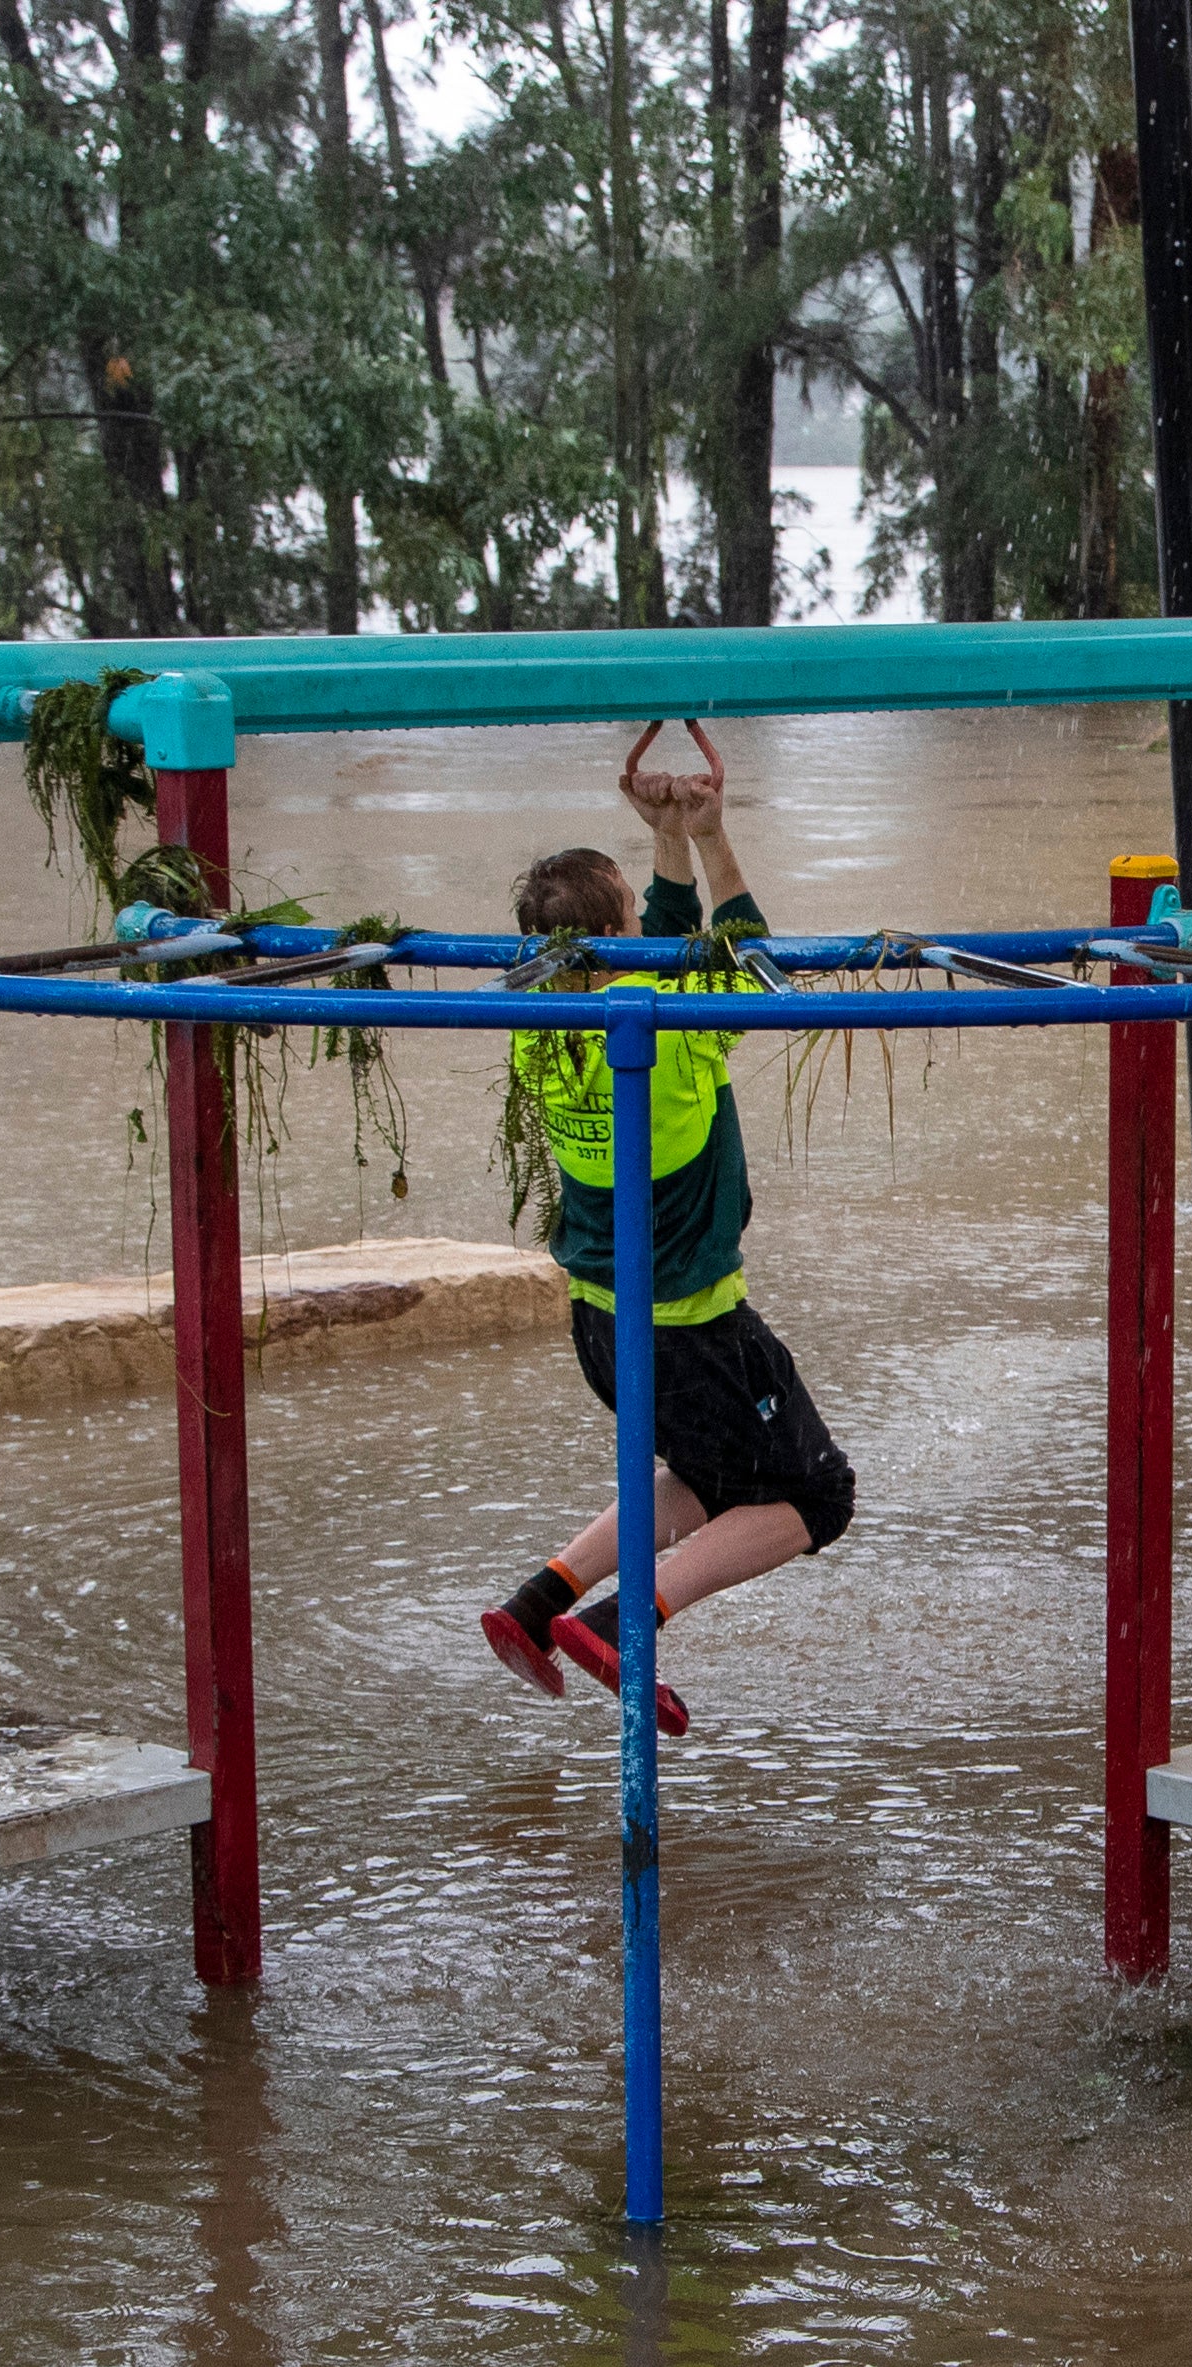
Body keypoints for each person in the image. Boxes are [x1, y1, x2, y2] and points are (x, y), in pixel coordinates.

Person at [478, 725, 858, 1733]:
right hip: (693, 1325)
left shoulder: (539, 1034)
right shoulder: (673, 1031)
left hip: (602, 1323)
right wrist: (713, 832)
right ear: (617, 938)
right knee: (817, 1495)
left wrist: (667, 837)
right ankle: (622, 1624)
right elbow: (743, 953)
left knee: (702, 1474)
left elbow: (665, 940)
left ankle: (539, 1604)